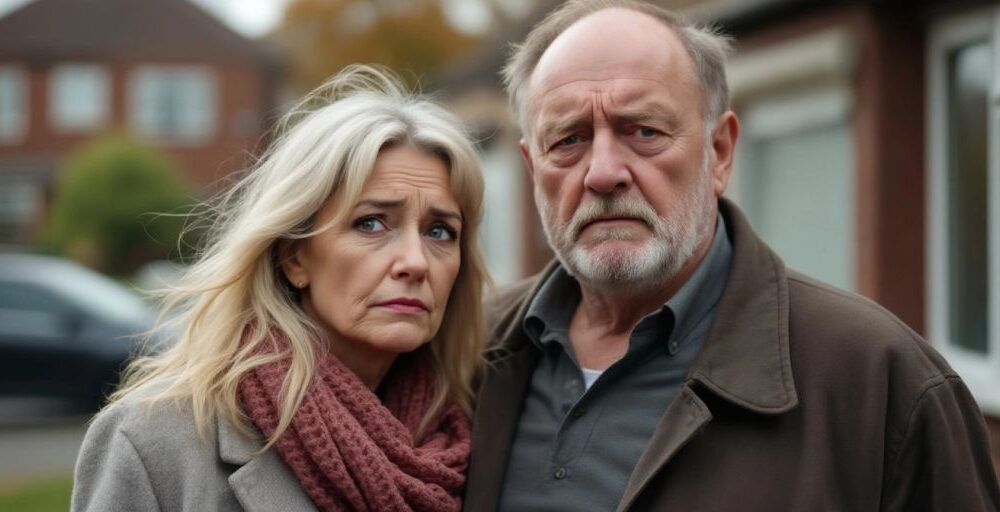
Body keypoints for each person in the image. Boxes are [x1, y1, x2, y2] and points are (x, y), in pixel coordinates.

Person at [463, 1, 1000, 511]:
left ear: (719, 152)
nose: (603, 172)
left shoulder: (881, 383)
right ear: (533, 171)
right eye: (568, 140)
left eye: (644, 132)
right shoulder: (461, 356)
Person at [72, 64, 488, 512]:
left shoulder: (471, 436)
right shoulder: (153, 444)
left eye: (440, 231)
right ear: (294, 258)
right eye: (371, 223)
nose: (415, 261)